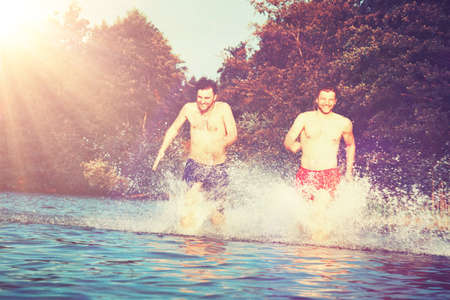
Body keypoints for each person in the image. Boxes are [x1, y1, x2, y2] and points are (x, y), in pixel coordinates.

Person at [152, 77, 237, 227]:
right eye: (200, 97)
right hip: (196, 164)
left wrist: (221, 143)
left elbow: (233, 135)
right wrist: (161, 151)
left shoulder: (223, 109)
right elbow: (173, 129)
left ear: (214, 97)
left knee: (216, 214)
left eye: (207, 98)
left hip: (217, 166)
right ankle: (188, 242)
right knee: (189, 204)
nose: (202, 101)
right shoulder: (188, 109)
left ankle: (219, 241)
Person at [284, 85, 355, 201]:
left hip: (329, 175)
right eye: (323, 99)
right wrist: (294, 146)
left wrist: (349, 171)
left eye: (330, 99)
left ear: (335, 101)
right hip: (306, 173)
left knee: (320, 213)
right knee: (305, 216)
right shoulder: (304, 118)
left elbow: (350, 145)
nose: (326, 103)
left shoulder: (343, 122)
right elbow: (289, 139)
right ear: (317, 100)